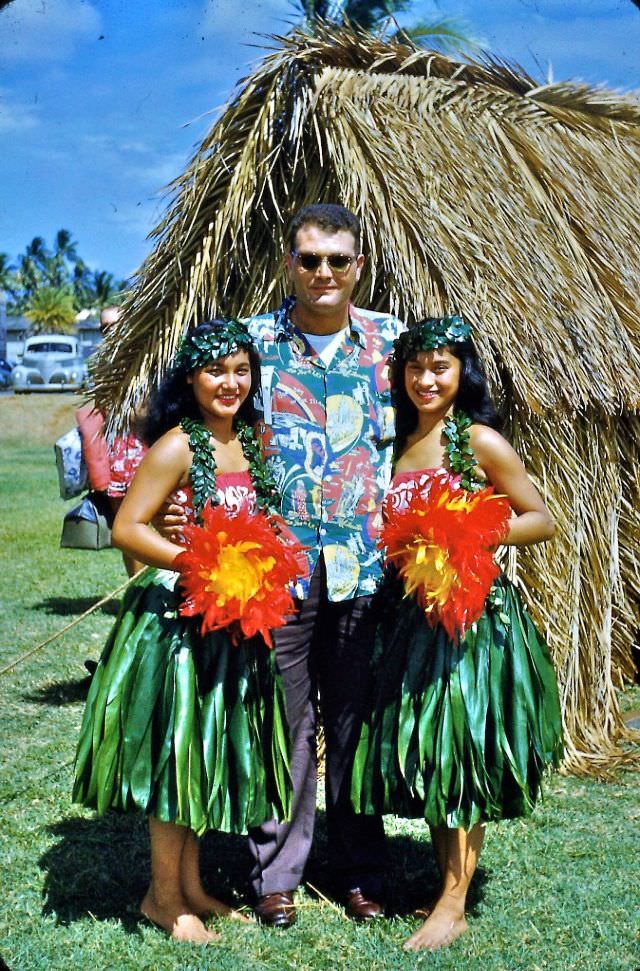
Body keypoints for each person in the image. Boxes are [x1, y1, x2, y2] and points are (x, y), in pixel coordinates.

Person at [160, 203, 404, 926]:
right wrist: (183, 501)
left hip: (365, 564)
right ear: (288, 264)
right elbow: (198, 423)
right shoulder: (255, 344)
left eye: (337, 259)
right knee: (287, 722)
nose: (323, 272)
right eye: (309, 259)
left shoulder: (393, 344)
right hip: (275, 573)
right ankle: (278, 873)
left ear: (359, 265)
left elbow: (443, 424)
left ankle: (360, 868)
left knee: (355, 721)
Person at [73, 320, 294, 944]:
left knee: (199, 754)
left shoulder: (251, 443)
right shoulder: (176, 446)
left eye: (241, 371)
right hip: (176, 624)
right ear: (190, 378)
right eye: (214, 371)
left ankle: (192, 886)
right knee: (176, 756)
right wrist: (202, 561)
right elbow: (129, 529)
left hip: (230, 622)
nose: (230, 383)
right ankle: (163, 898)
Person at [351, 316, 564, 951]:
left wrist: (467, 533)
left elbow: (540, 518)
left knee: (464, 751)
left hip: (474, 625)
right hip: (413, 622)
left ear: (460, 372)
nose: (425, 379)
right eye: (415, 367)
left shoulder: (478, 442)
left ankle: (452, 903)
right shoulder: (395, 444)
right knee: (440, 756)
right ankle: (448, 884)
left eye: (439, 367)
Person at [76, 305, 147, 578]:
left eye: (115, 326)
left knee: (165, 524)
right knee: (125, 530)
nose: (110, 333)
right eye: (104, 328)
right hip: (118, 454)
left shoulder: (147, 360)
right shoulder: (101, 368)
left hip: (148, 451)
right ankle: (136, 589)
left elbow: (148, 411)